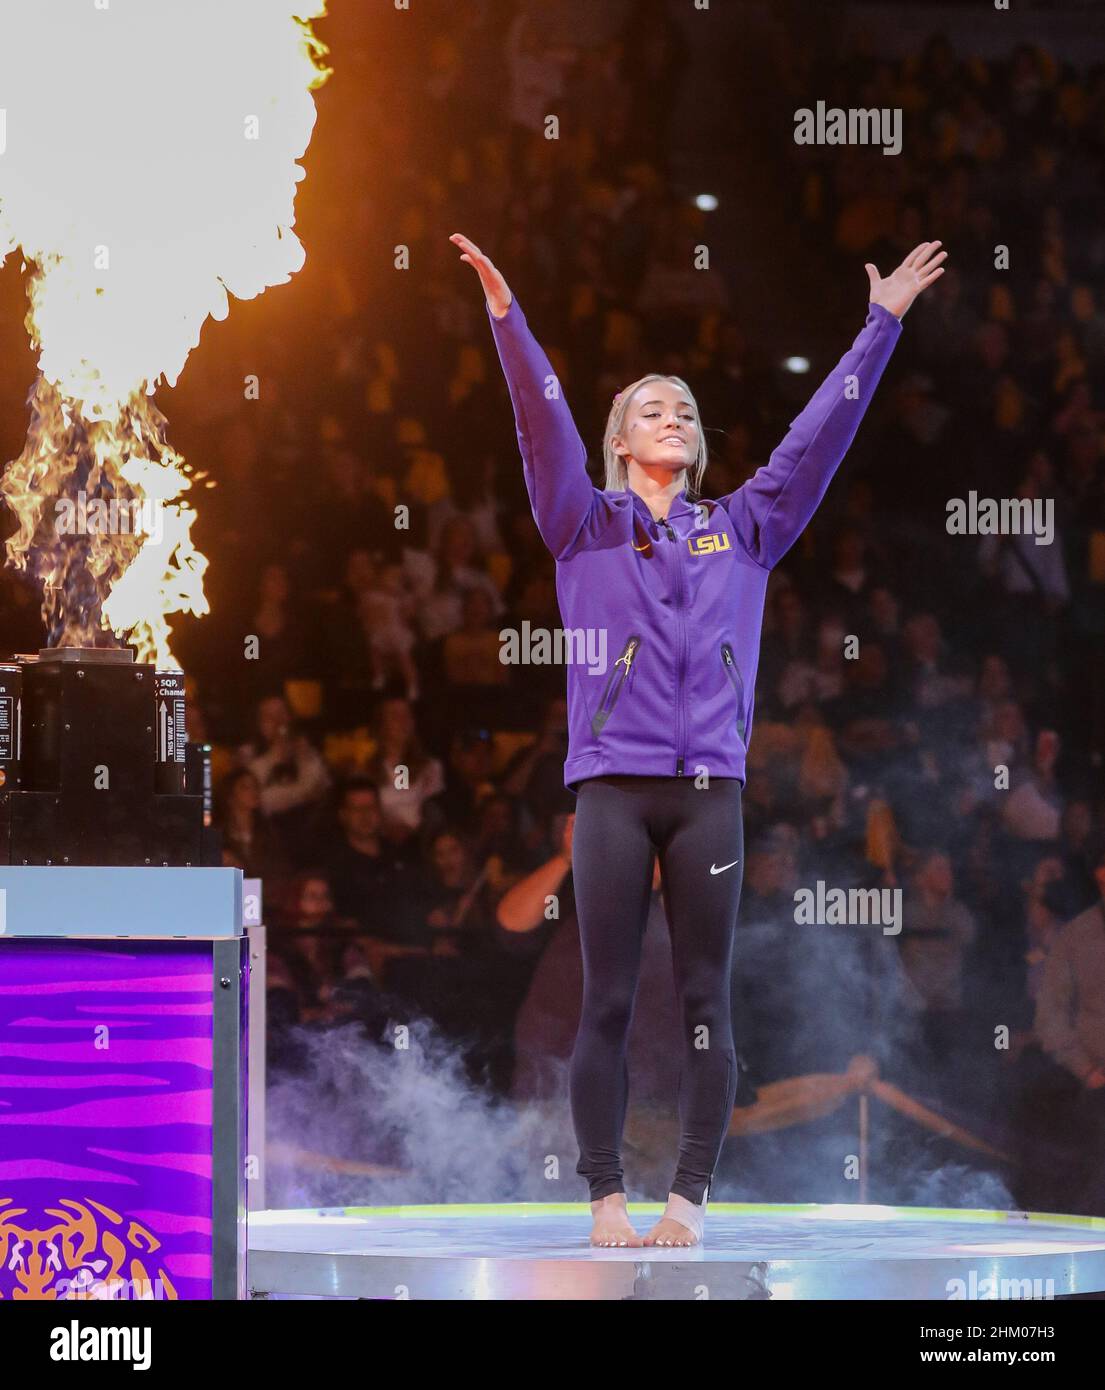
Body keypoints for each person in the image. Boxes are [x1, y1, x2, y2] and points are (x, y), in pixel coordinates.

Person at [451, 229, 946, 1246]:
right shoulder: (580, 523)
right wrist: (511, 322)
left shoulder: (746, 526)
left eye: (682, 407)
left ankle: (687, 1198)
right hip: (612, 794)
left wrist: (880, 323)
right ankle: (601, 1197)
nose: (668, 413)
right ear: (619, 442)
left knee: (704, 1003)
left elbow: (816, 437)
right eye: (647, 406)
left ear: (698, 443)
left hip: (708, 790)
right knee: (608, 998)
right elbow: (537, 420)